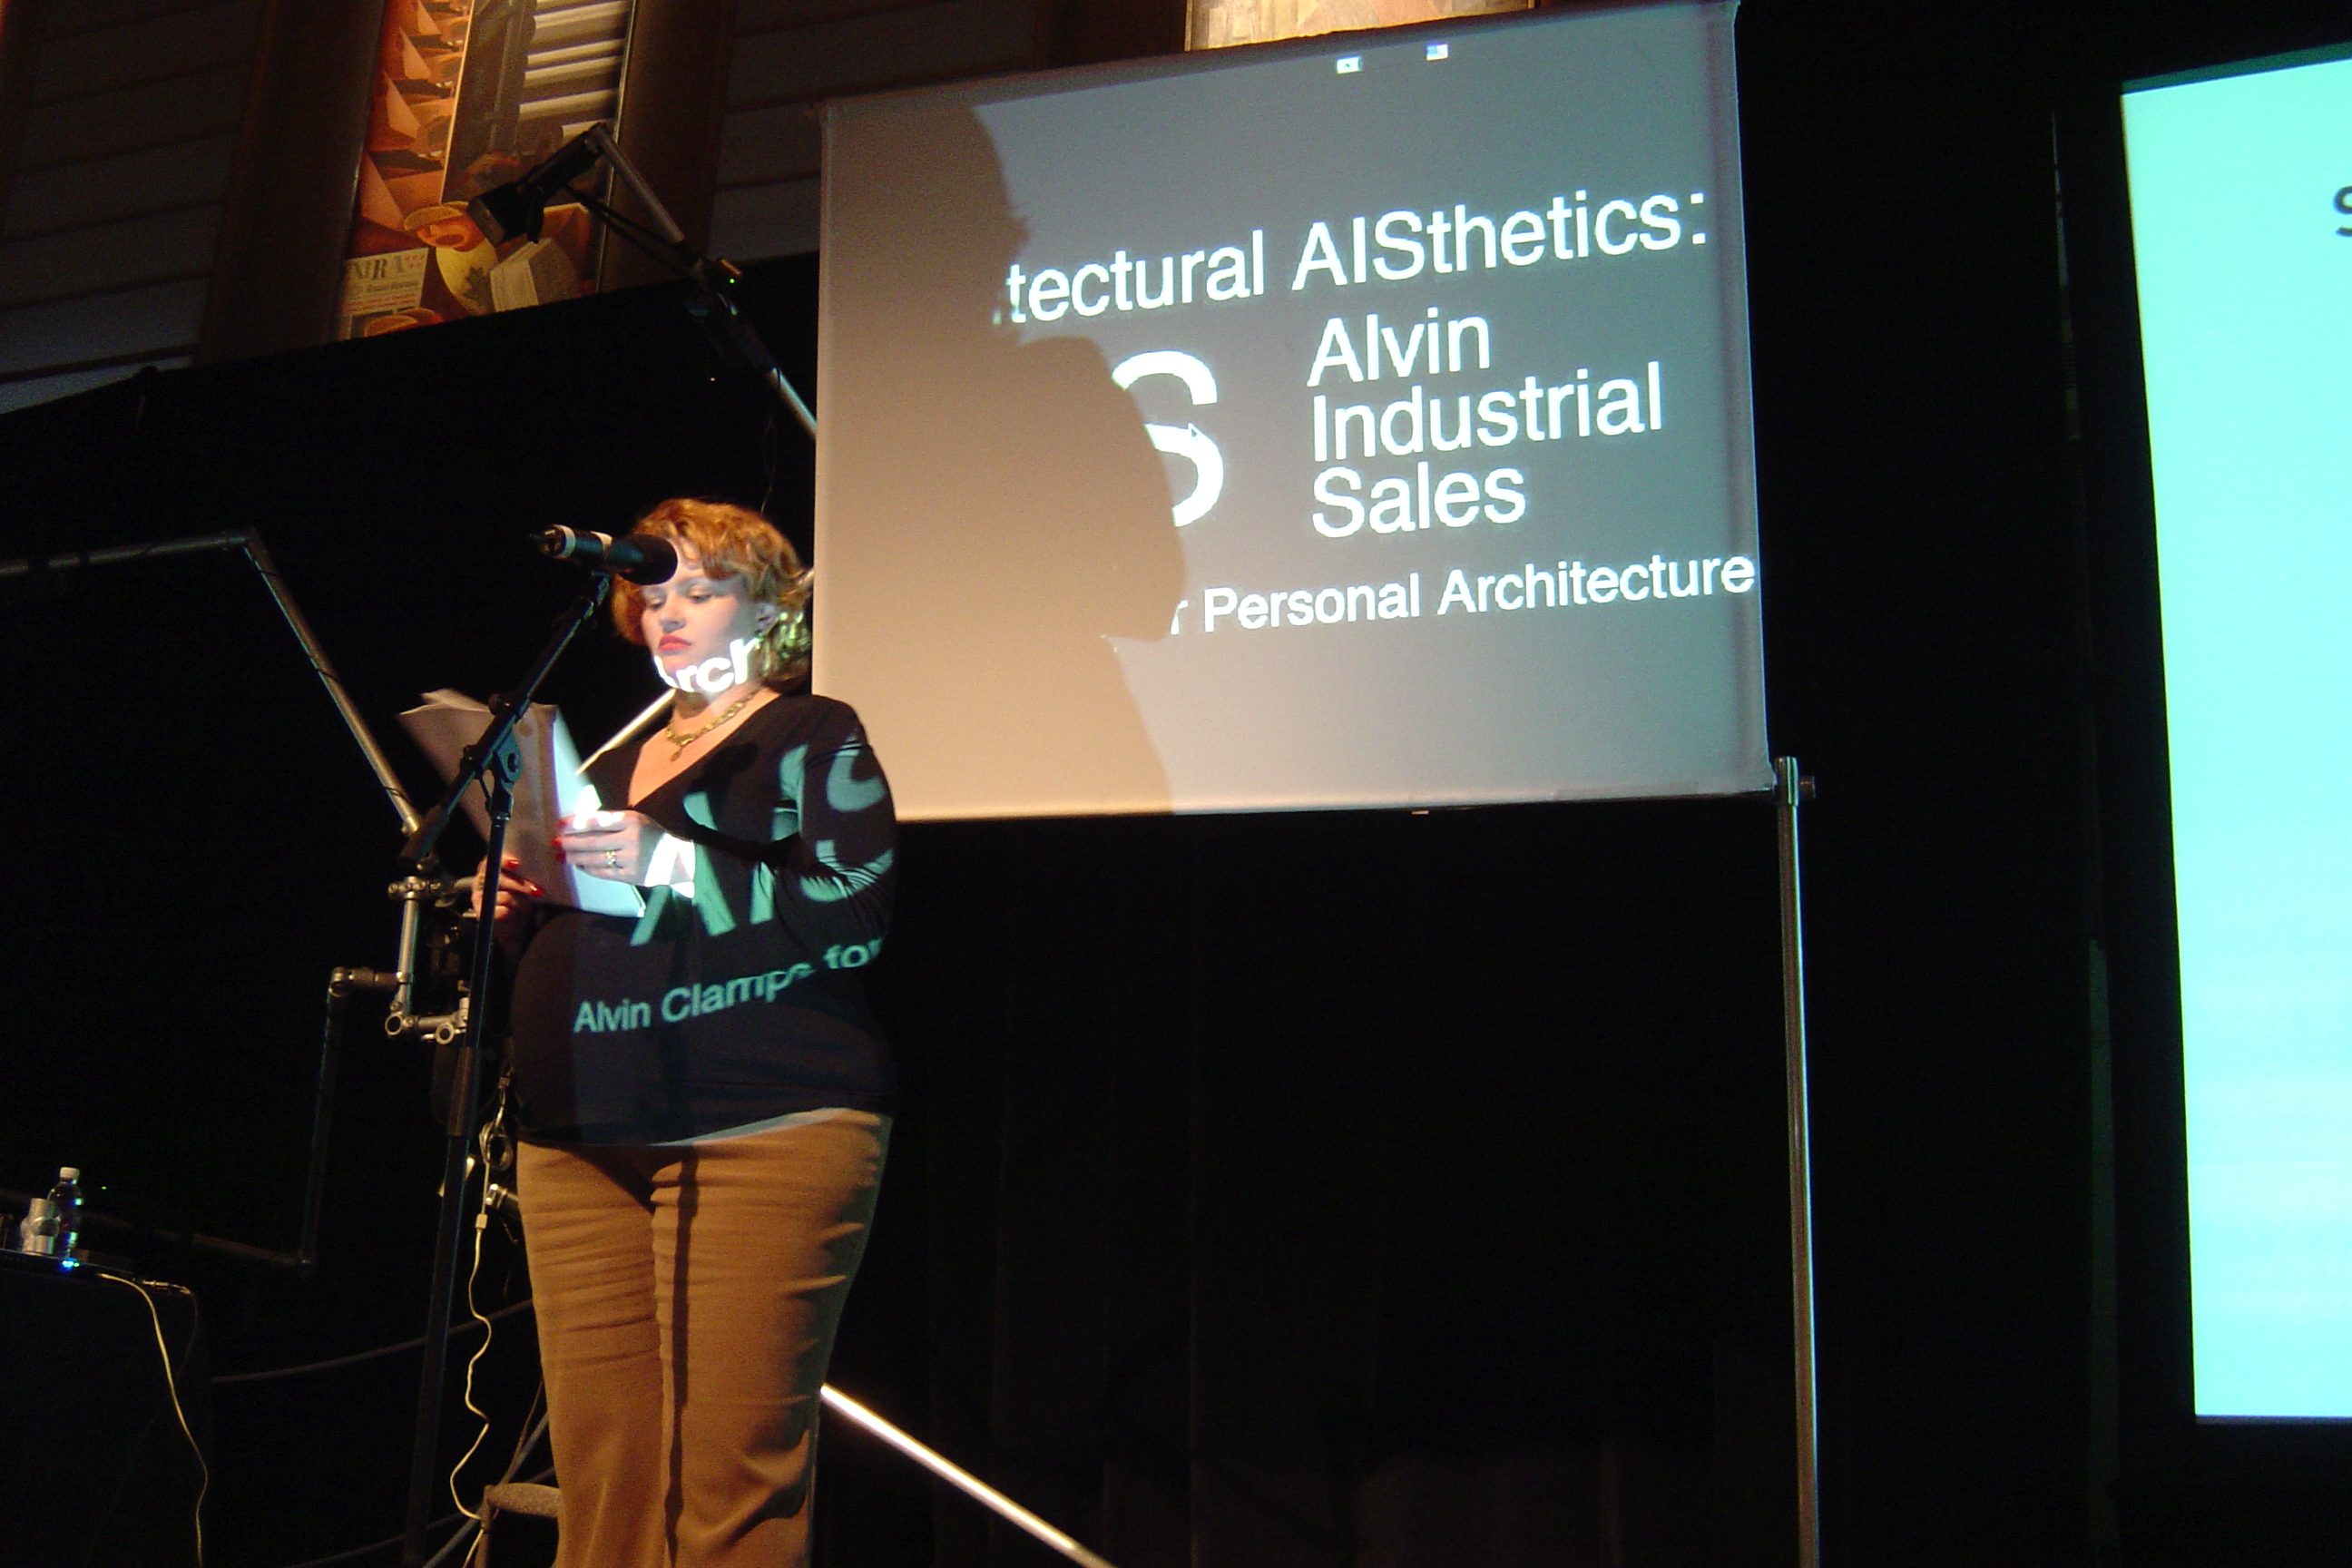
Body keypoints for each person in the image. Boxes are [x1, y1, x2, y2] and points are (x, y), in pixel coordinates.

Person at [484, 497, 896, 1567]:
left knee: (728, 1482)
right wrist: (521, 914)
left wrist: (668, 861)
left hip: (758, 1124)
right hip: (578, 1133)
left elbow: (852, 915)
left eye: (703, 592)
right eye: (655, 595)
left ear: (768, 612)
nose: (670, 613)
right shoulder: (609, 768)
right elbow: (609, 937)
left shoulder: (813, 732)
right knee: (606, 1479)